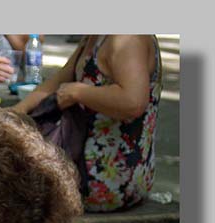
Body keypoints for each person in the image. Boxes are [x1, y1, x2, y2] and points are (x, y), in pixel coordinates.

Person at [10, 35, 162, 212]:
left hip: (110, 181)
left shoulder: (127, 39)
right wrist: (17, 111)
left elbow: (133, 102)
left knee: (5, 184)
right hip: (84, 166)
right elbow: (58, 81)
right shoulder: (96, 36)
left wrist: (79, 93)